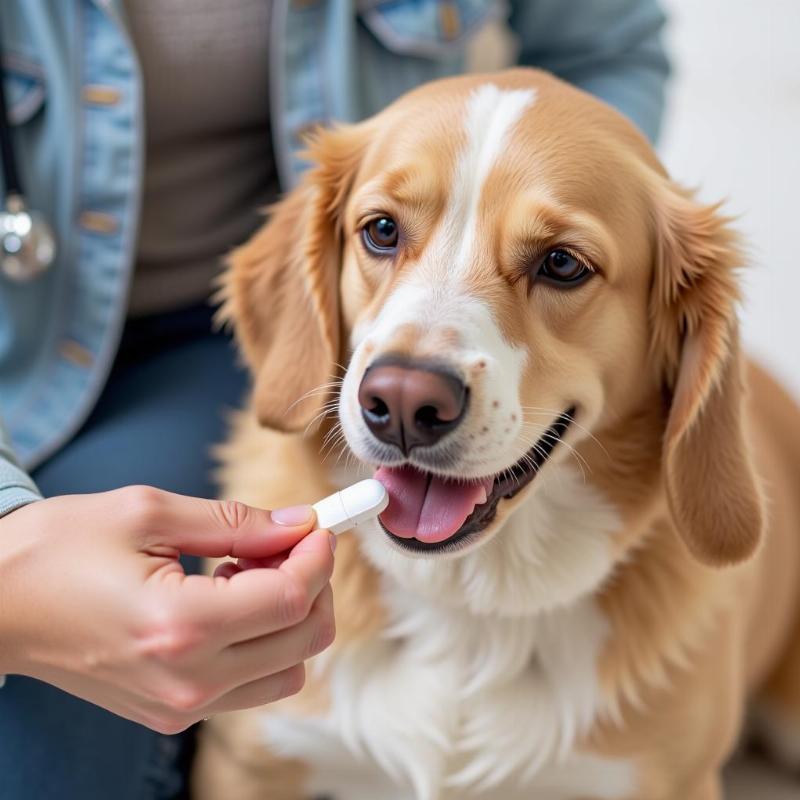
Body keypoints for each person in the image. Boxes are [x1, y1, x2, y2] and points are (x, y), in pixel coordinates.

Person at [0, 1, 670, 797]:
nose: (416, 395)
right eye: (386, 229)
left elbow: (608, 47)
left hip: (276, 335)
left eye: (558, 265)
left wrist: (571, 193)